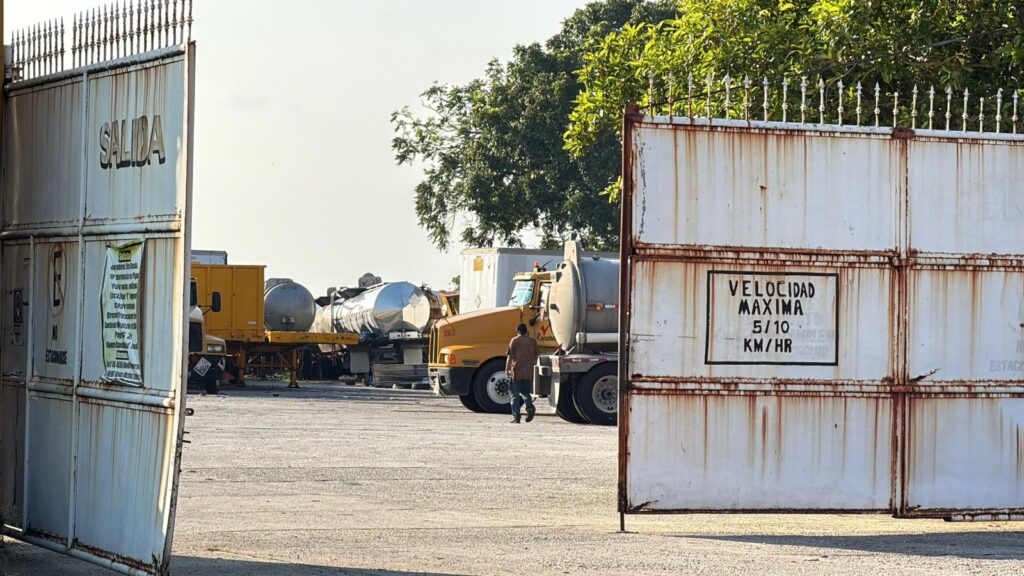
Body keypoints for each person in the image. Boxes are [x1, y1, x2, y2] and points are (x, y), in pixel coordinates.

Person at [505, 323, 538, 424]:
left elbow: (510, 357)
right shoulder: (532, 341)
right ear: (526, 331)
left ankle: (516, 416)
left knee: (515, 395)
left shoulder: (514, 340)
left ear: (517, 331)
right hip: (528, 371)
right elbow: (536, 355)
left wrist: (506, 369)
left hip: (517, 371)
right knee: (525, 393)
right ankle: (530, 407)